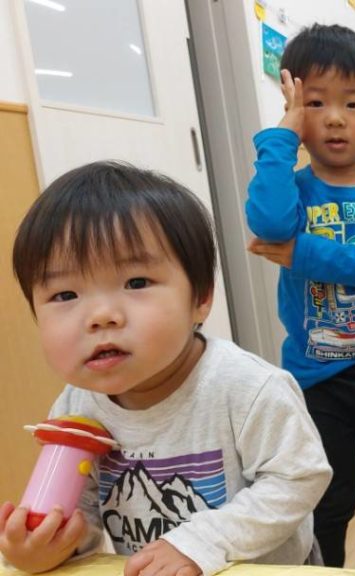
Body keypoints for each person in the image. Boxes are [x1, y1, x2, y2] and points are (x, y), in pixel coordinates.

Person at [1, 161, 331, 576]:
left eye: (136, 283)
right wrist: (48, 545)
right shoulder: (75, 407)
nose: (100, 316)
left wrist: (203, 542)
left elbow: (299, 479)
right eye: (65, 294)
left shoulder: (248, 387)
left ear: (201, 298)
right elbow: (81, 514)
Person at [244, 24, 355, 567]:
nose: (335, 118)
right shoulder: (294, 190)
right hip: (318, 381)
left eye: (353, 103)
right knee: (330, 500)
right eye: (316, 103)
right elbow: (269, 224)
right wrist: (283, 136)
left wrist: (303, 253)